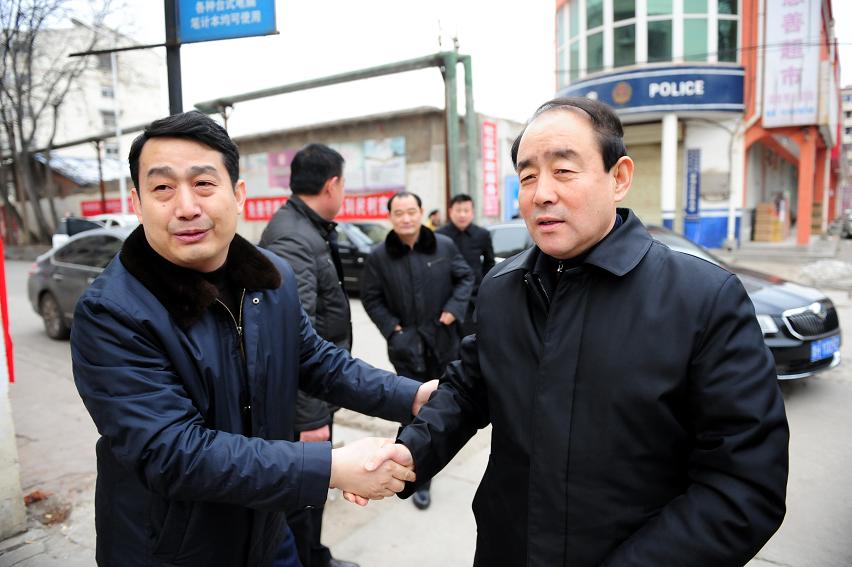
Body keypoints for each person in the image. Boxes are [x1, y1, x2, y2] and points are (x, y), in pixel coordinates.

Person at [366, 97, 789, 565]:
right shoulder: (503, 287)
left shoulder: (703, 299)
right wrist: (412, 452)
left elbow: (744, 486)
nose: (541, 194)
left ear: (619, 177)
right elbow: (469, 388)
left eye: (563, 171)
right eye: (528, 177)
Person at [70, 111, 436, 567]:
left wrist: (411, 396)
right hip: (170, 551)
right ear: (138, 203)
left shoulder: (269, 277)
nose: (186, 206)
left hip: (265, 531)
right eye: (162, 188)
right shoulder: (111, 312)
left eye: (204, 183)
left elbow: (315, 360)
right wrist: (330, 468)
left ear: (238, 194)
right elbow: (173, 452)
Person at [258, 143, 357, 567]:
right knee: (301, 495)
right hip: (303, 403)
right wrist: (311, 416)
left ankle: (315, 554)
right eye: (344, 184)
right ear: (331, 184)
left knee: (311, 490)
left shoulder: (304, 228)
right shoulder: (293, 237)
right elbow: (293, 336)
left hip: (313, 394)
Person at [359, 191, 474, 510]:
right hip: (407, 348)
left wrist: (453, 310)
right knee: (412, 410)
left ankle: (429, 460)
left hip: (441, 340)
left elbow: (465, 277)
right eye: (399, 213)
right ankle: (417, 478)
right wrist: (393, 329)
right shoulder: (379, 256)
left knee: (443, 406)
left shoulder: (443, 246)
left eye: (412, 211)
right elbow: (371, 298)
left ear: (421, 212)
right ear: (390, 217)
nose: (406, 218)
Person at [437, 194, 495, 335]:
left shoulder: (482, 234)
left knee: (473, 337)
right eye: (458, 210)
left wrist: (485, 288)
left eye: (466, 210)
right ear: (450, 211)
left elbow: (489, 263)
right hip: (447, 298)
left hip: (474, 297)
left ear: (472, 212)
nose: (462, 215)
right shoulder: (439, 236)